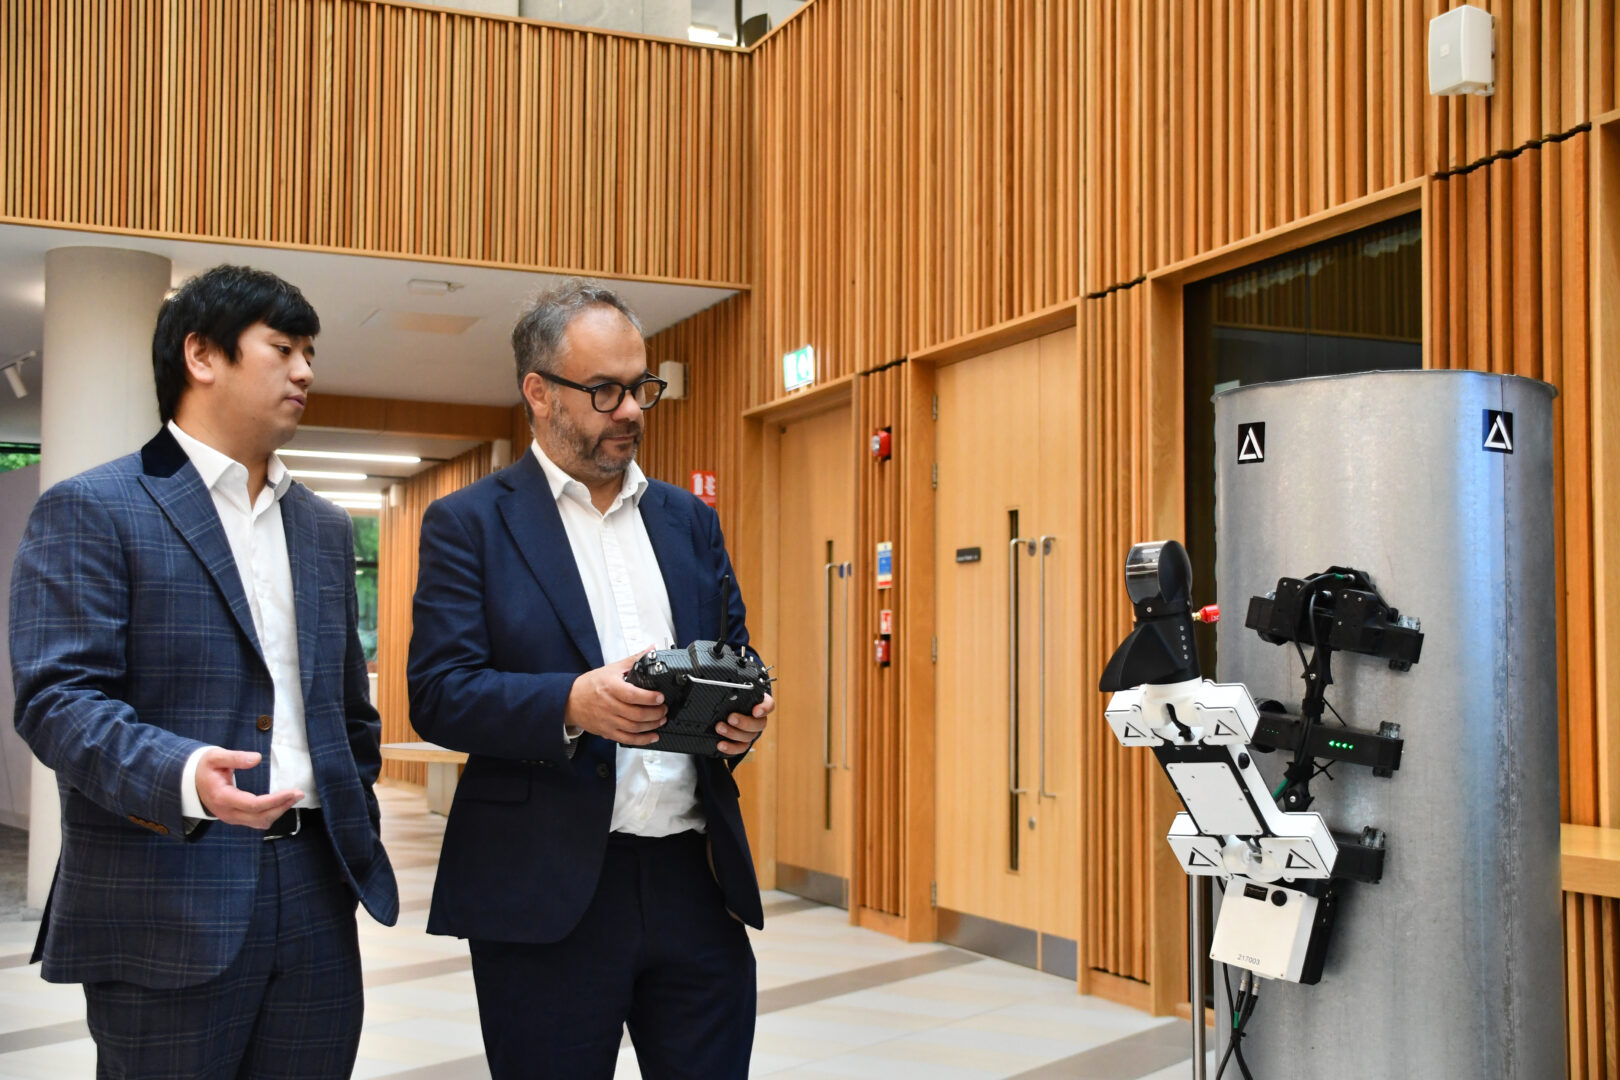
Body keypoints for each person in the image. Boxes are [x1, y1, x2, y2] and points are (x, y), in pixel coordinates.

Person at [10, 265, 399, 1078]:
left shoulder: (324, 528)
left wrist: (352, 811)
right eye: (283, 348)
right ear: (201, 355)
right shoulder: (96, 507)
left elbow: (346, 710)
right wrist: (185, 775)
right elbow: (59, 700)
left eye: (310, 353)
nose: (305, 371)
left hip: (317, 891)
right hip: (165, 889)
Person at [407, 279, 773, 1079]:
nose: (631, 410)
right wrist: (570, 703)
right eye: (605, 390)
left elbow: (734, 654)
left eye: (642, 387)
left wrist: (741, 719)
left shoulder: (689, 521)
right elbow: (438, 692)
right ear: (539, 393)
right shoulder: (470, 524)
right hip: (543, 891)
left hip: (695, 881)